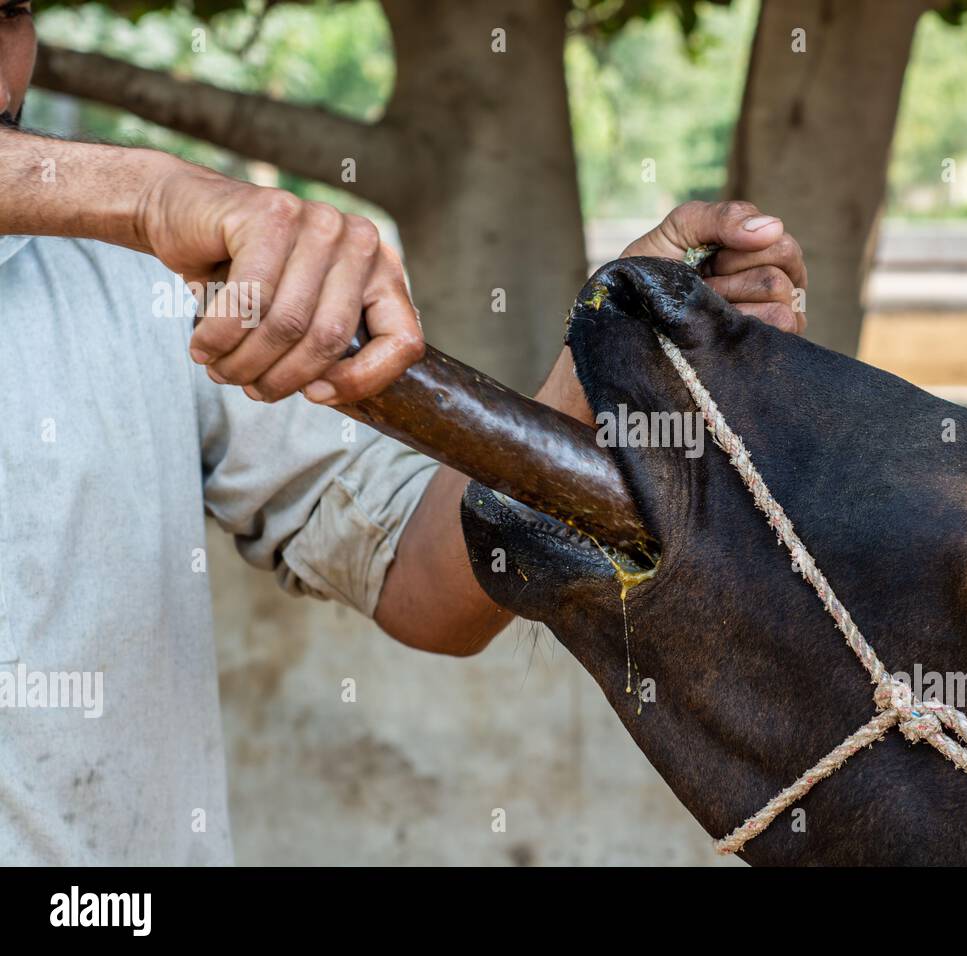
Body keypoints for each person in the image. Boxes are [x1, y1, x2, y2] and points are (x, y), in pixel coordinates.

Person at [0, 0, 809, 864]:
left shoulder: (137, 282)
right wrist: (147, 189)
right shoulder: (145, 220)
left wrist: (604, 365)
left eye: (9, 13)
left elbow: (419, 582)